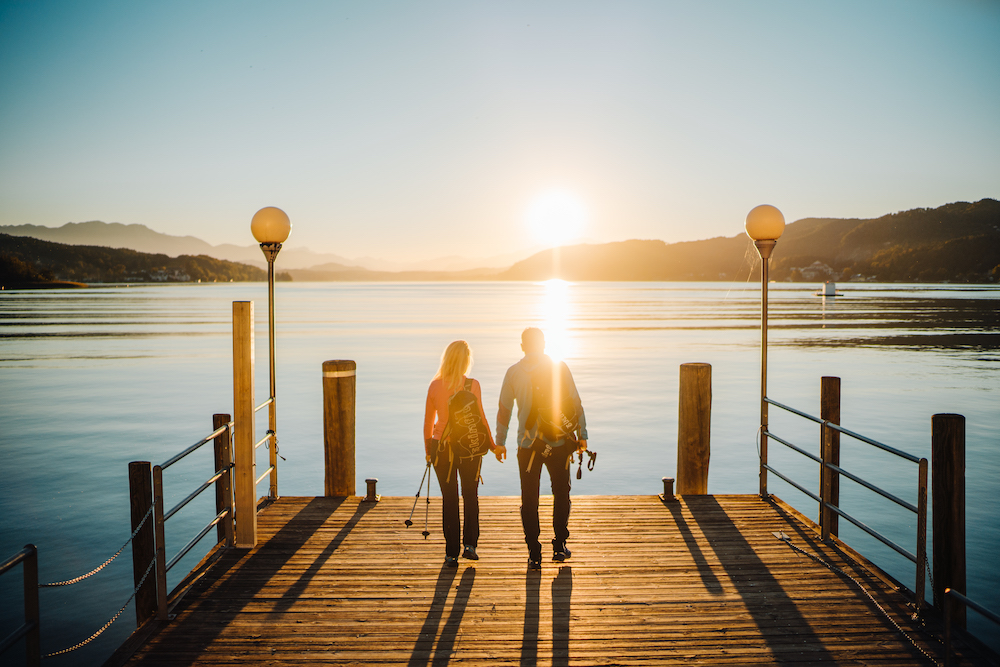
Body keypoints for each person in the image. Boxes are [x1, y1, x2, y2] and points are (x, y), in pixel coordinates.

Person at [495, 328, 588, 570]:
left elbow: (504, 410)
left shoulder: (513, 373)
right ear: (544, 344)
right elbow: (575, 403)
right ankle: (559, 545)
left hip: (528, 446)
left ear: (522, 346)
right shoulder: (559, 367)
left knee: (529, 498)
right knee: (561, 493)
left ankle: (534, 552)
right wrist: (582, 436)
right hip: (558, 442)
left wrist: (500, 442)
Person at [424, 340, 506, 567]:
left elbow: (429, 423)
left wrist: (429, 452)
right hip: (470, 447)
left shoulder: (434, 386)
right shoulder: (472, 385)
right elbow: (480, 418)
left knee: (449, 500)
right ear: (466, 361)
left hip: (442, 449)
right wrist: (493, 446)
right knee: (470, 496)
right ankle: (470, 545)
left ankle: (451, 553)